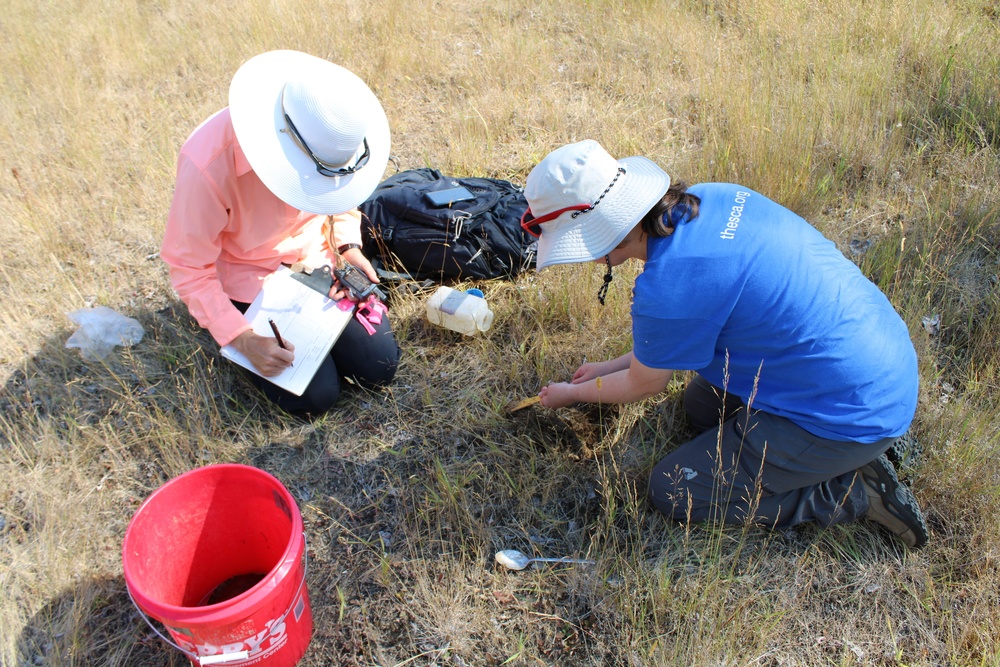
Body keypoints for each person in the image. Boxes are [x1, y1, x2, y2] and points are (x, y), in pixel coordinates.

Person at [524, 140, 928, 548]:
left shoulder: (667, 288)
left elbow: (644, 383)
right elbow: (677, 329)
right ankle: (829, 455)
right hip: (878, 360)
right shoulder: (713, 197)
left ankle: (851, 493)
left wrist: (573, 393)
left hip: (855, 411)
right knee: (702, 407)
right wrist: (606, 368)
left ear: (605, 233)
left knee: (673, 490)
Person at [161, 50, 400, 416]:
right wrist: (243, 339)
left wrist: (348, 246)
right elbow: (189, 268)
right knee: (315, 397)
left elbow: (343, 199)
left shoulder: (330, 132)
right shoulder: (207, 164)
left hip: (315, 265)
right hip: (248, 282)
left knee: (380, 366)